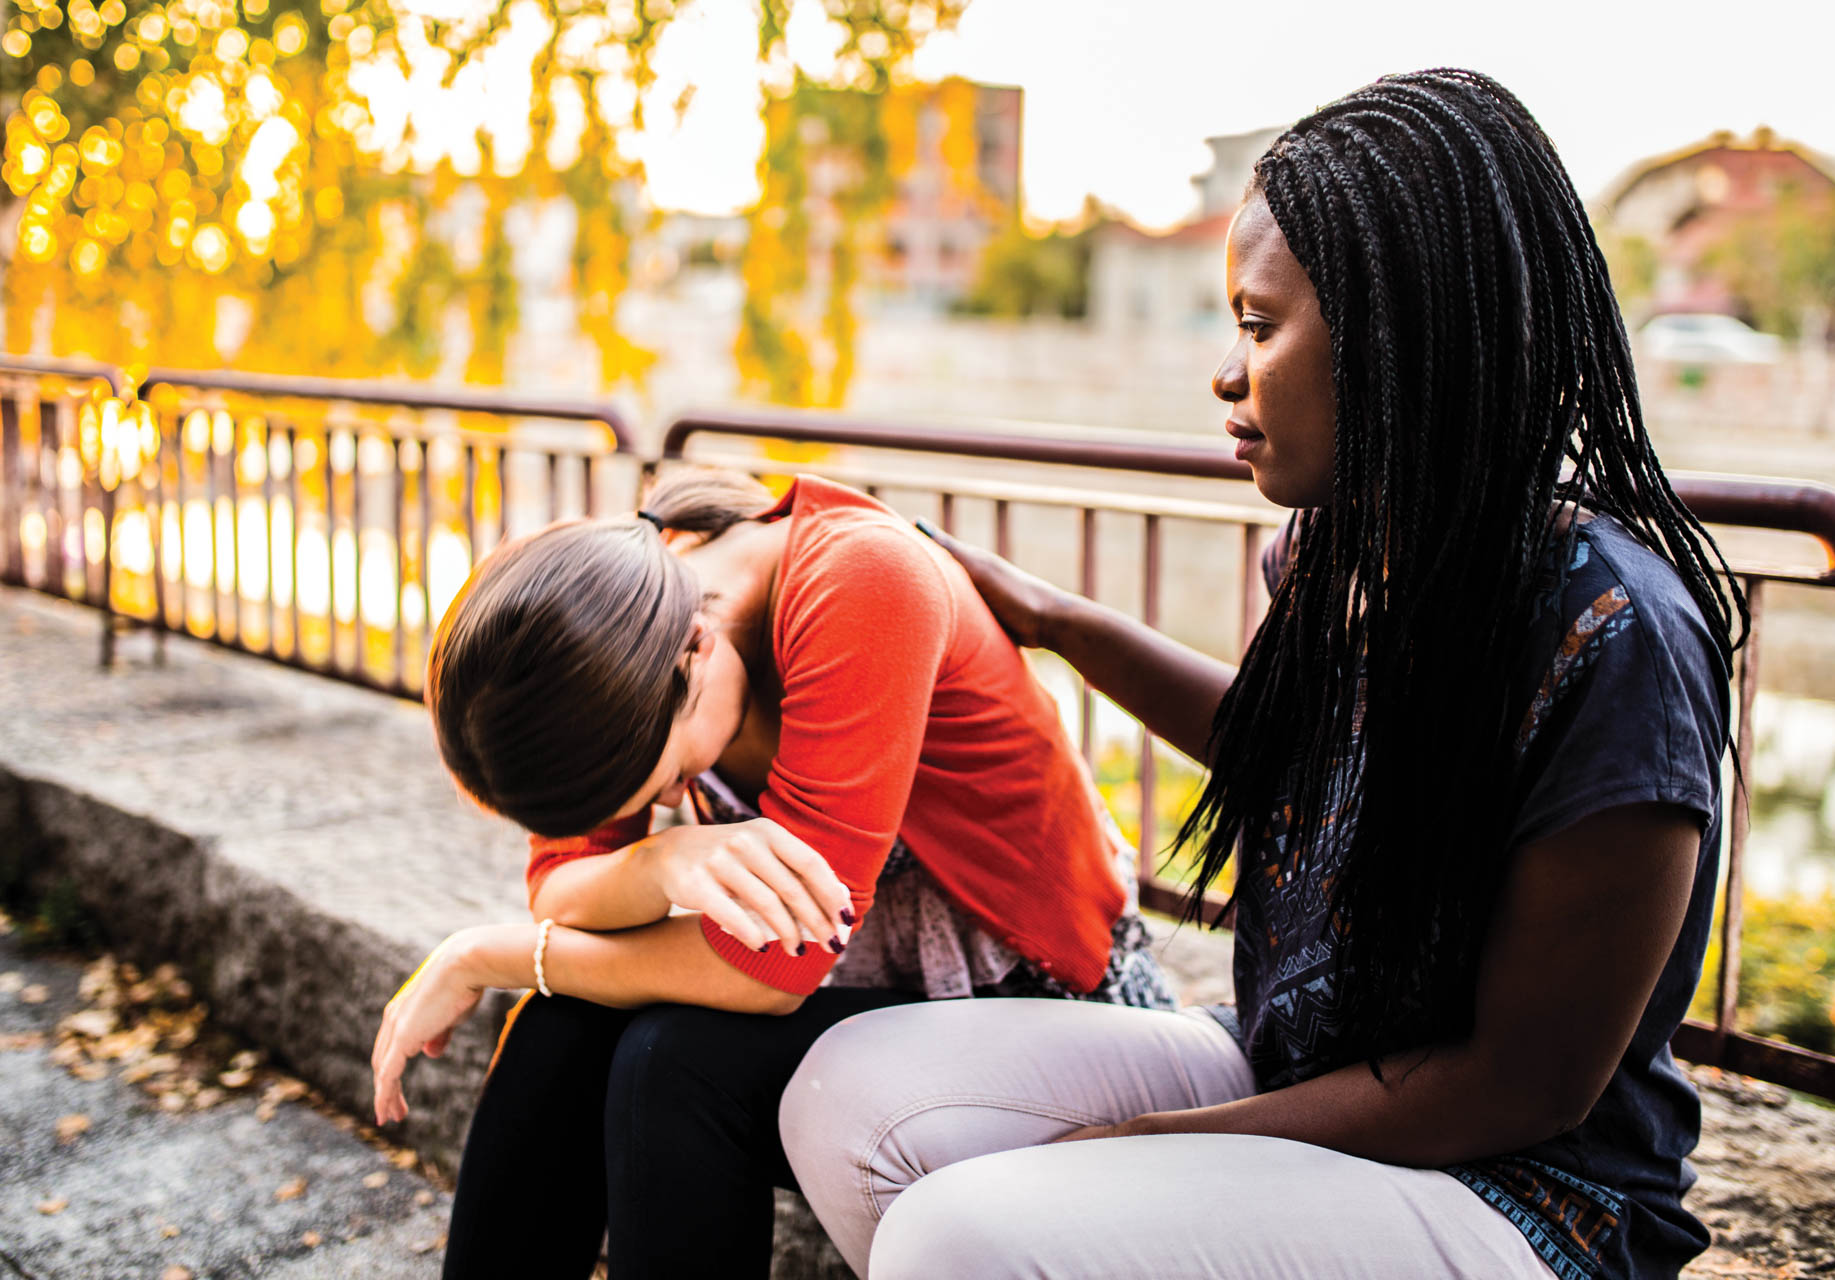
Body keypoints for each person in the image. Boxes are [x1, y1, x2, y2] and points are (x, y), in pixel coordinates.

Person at [779, 68, 1745, 1280]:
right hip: (1303, 1060)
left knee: (957, 1230)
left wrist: (1151, 1143)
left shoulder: (1614, 635)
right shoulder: (1340, 553)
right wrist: (1056, 620)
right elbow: (1291, 746)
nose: (1226, 377)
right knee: (845, 1089)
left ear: (1402, 335)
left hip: (1525, 1198)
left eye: (1257, 324)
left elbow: (1525, 1083)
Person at [368, 466, 1173, 1280]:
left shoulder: (860, 580)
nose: (687, 798)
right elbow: (562, 888)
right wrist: (659, 859)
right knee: (558, 1027)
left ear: (699, 647)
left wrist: (488, 956)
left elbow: (774, 969)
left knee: (672, 1059)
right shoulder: (625, 615)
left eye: (673, 777)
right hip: (861, 1002)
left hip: (1043, 1011)